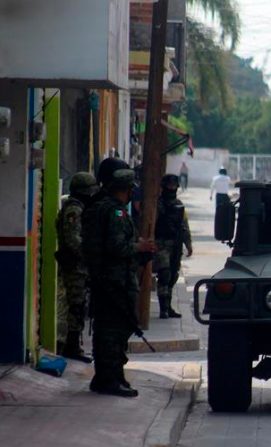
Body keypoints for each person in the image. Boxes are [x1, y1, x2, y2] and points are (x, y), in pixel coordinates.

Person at [83, 162, 155, 397]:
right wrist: (140, 246)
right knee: (112, 331)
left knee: (114, 328)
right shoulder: (114, 210)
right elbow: (116, 247)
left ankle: (112, 375)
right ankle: (107, 378)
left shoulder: (102, 207)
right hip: (114, 281)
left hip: (111, 280)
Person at [55, 172, 99, 363]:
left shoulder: (78, 207)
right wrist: (89, 255)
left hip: (78, 265)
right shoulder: (74, 209)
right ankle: (71, 346)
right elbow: (73, 240)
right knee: (76, 305)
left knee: (79, 304)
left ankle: (73, 344)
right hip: (74, 266)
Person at [154, 174, 193, 319]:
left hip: (175, 245)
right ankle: (163, 309)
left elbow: (184, 226)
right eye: (169, 186)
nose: (171, 188)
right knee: (164, 274)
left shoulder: (179, 204)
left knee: (173, 276)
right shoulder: (157, 204)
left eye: (173, 186)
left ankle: (168, 307)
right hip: (161, 244)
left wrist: (188, 244)